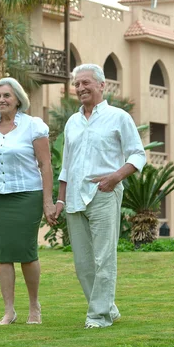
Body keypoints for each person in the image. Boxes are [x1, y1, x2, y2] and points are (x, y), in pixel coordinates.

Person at [55, 64, 146, 329]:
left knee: (104, 258)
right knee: (83, 263)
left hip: (104, 194)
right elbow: (66, 166)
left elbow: (138, 154)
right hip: (73, 198)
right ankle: (109, 308)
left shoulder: (119, 117)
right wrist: (60, 200)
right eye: (77, 85)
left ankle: (98, 317)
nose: (81, 88)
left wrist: (115, 177)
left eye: (86, 83)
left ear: (101, 85)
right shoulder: (72, 122)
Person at [0, 77, 57, 326]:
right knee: (2, 254)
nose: (1, 100)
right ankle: (9, 311)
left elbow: (45, 165)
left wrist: (47, 202)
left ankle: (34, 307)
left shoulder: (33, 126)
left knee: (26, 252)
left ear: (18, 99)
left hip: (27, 196)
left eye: (6, 96)